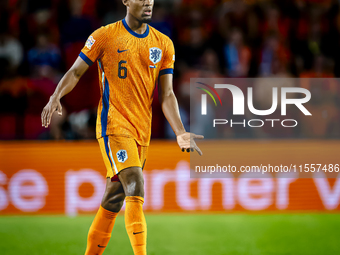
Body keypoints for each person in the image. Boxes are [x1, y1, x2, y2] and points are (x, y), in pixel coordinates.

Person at [41, 0, 203, 254]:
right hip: (113, 126)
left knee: (114, 198)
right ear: (126, 1)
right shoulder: (105, 35)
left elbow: (167, 94)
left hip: (142, 132)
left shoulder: (163, 43)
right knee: (136, 184)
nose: (148, 2)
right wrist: (55, 97)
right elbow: (75, 72)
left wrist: (180, 131)